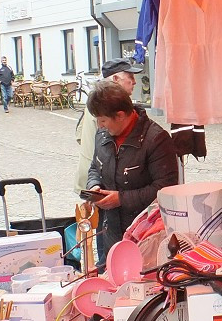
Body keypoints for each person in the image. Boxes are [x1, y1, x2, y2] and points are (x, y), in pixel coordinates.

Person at [86, 81, 178, 261]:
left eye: (103, 120)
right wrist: (94, 186)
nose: (100, 126)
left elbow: (166, 189)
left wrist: (121, 199)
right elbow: (94, 167)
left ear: (120, 115)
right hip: (109, 231)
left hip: (145, 234)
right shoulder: (103, 135)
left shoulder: (156, 139)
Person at [75, 58, 142, 194]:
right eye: (130, 76)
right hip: (98, 180)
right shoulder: (103, 104)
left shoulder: (95, 99)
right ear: (116, 78)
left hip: (92, 178)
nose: (134, 81)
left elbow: (78, 135)